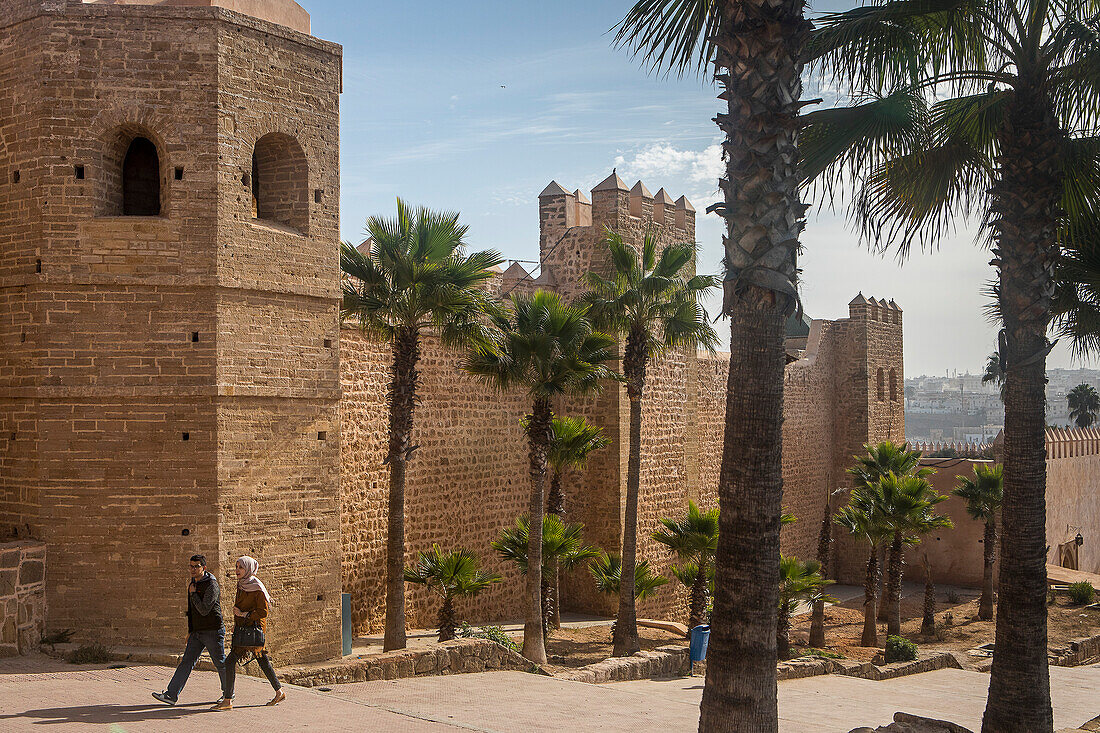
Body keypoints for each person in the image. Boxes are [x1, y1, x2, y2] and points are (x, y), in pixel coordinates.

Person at [152, 554, 227, 706]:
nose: (193, 569)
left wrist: (193, 594)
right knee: (186, 662)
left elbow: (205, 609)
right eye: (191, 566)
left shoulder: (211, 585)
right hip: (197, 632)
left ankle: (228, 694)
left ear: (203, 568)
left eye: (196, 566)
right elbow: (193, 610)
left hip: (212, 630)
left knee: (219, 662)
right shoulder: (194, 582)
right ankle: (171, 695)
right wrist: (190, 630)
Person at [213, 555, 285, 710]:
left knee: (230, 661)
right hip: (244, 629)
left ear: (249, 569)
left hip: (254, 631)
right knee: (261, 660)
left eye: (241, 567)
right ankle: (279, 692)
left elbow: (263, 612)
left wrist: (244, 616)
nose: (237, 570)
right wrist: (237, 623)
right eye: (236, 566)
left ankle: (227, 700)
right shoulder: (242, 585)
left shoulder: (257, 587)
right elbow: (240, 609)